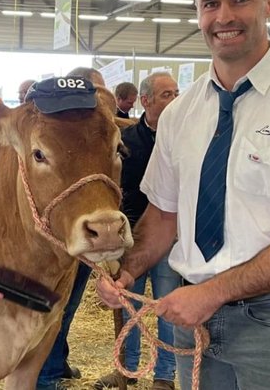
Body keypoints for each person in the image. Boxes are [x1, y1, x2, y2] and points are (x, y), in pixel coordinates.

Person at [97, 0, 270, 390]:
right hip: (191, 318)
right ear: (198, 13)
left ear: (269, 3)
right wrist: (128, 268)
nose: (224, 16)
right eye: (210, 3)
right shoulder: (181, 113)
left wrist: (213, 292)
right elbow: (164, 215)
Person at [93, 72, 180, 390]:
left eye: (176, 93)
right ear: (146, 101)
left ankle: (164, 375)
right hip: (130, 238)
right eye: (167, 95)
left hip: (169, 237)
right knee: (129, 305)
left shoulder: (183, 139)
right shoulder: (125, 141)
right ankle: (127, 370)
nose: (174, 100)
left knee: (167, 306)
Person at [37, 65, 116, 389]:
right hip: (57, 237)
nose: (96, 102)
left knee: (68, 305)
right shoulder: (58, 133)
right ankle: (47, 374)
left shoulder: (98, 134)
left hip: (88, 233)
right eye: (92, 93)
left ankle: (57, 363)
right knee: (52, 306)